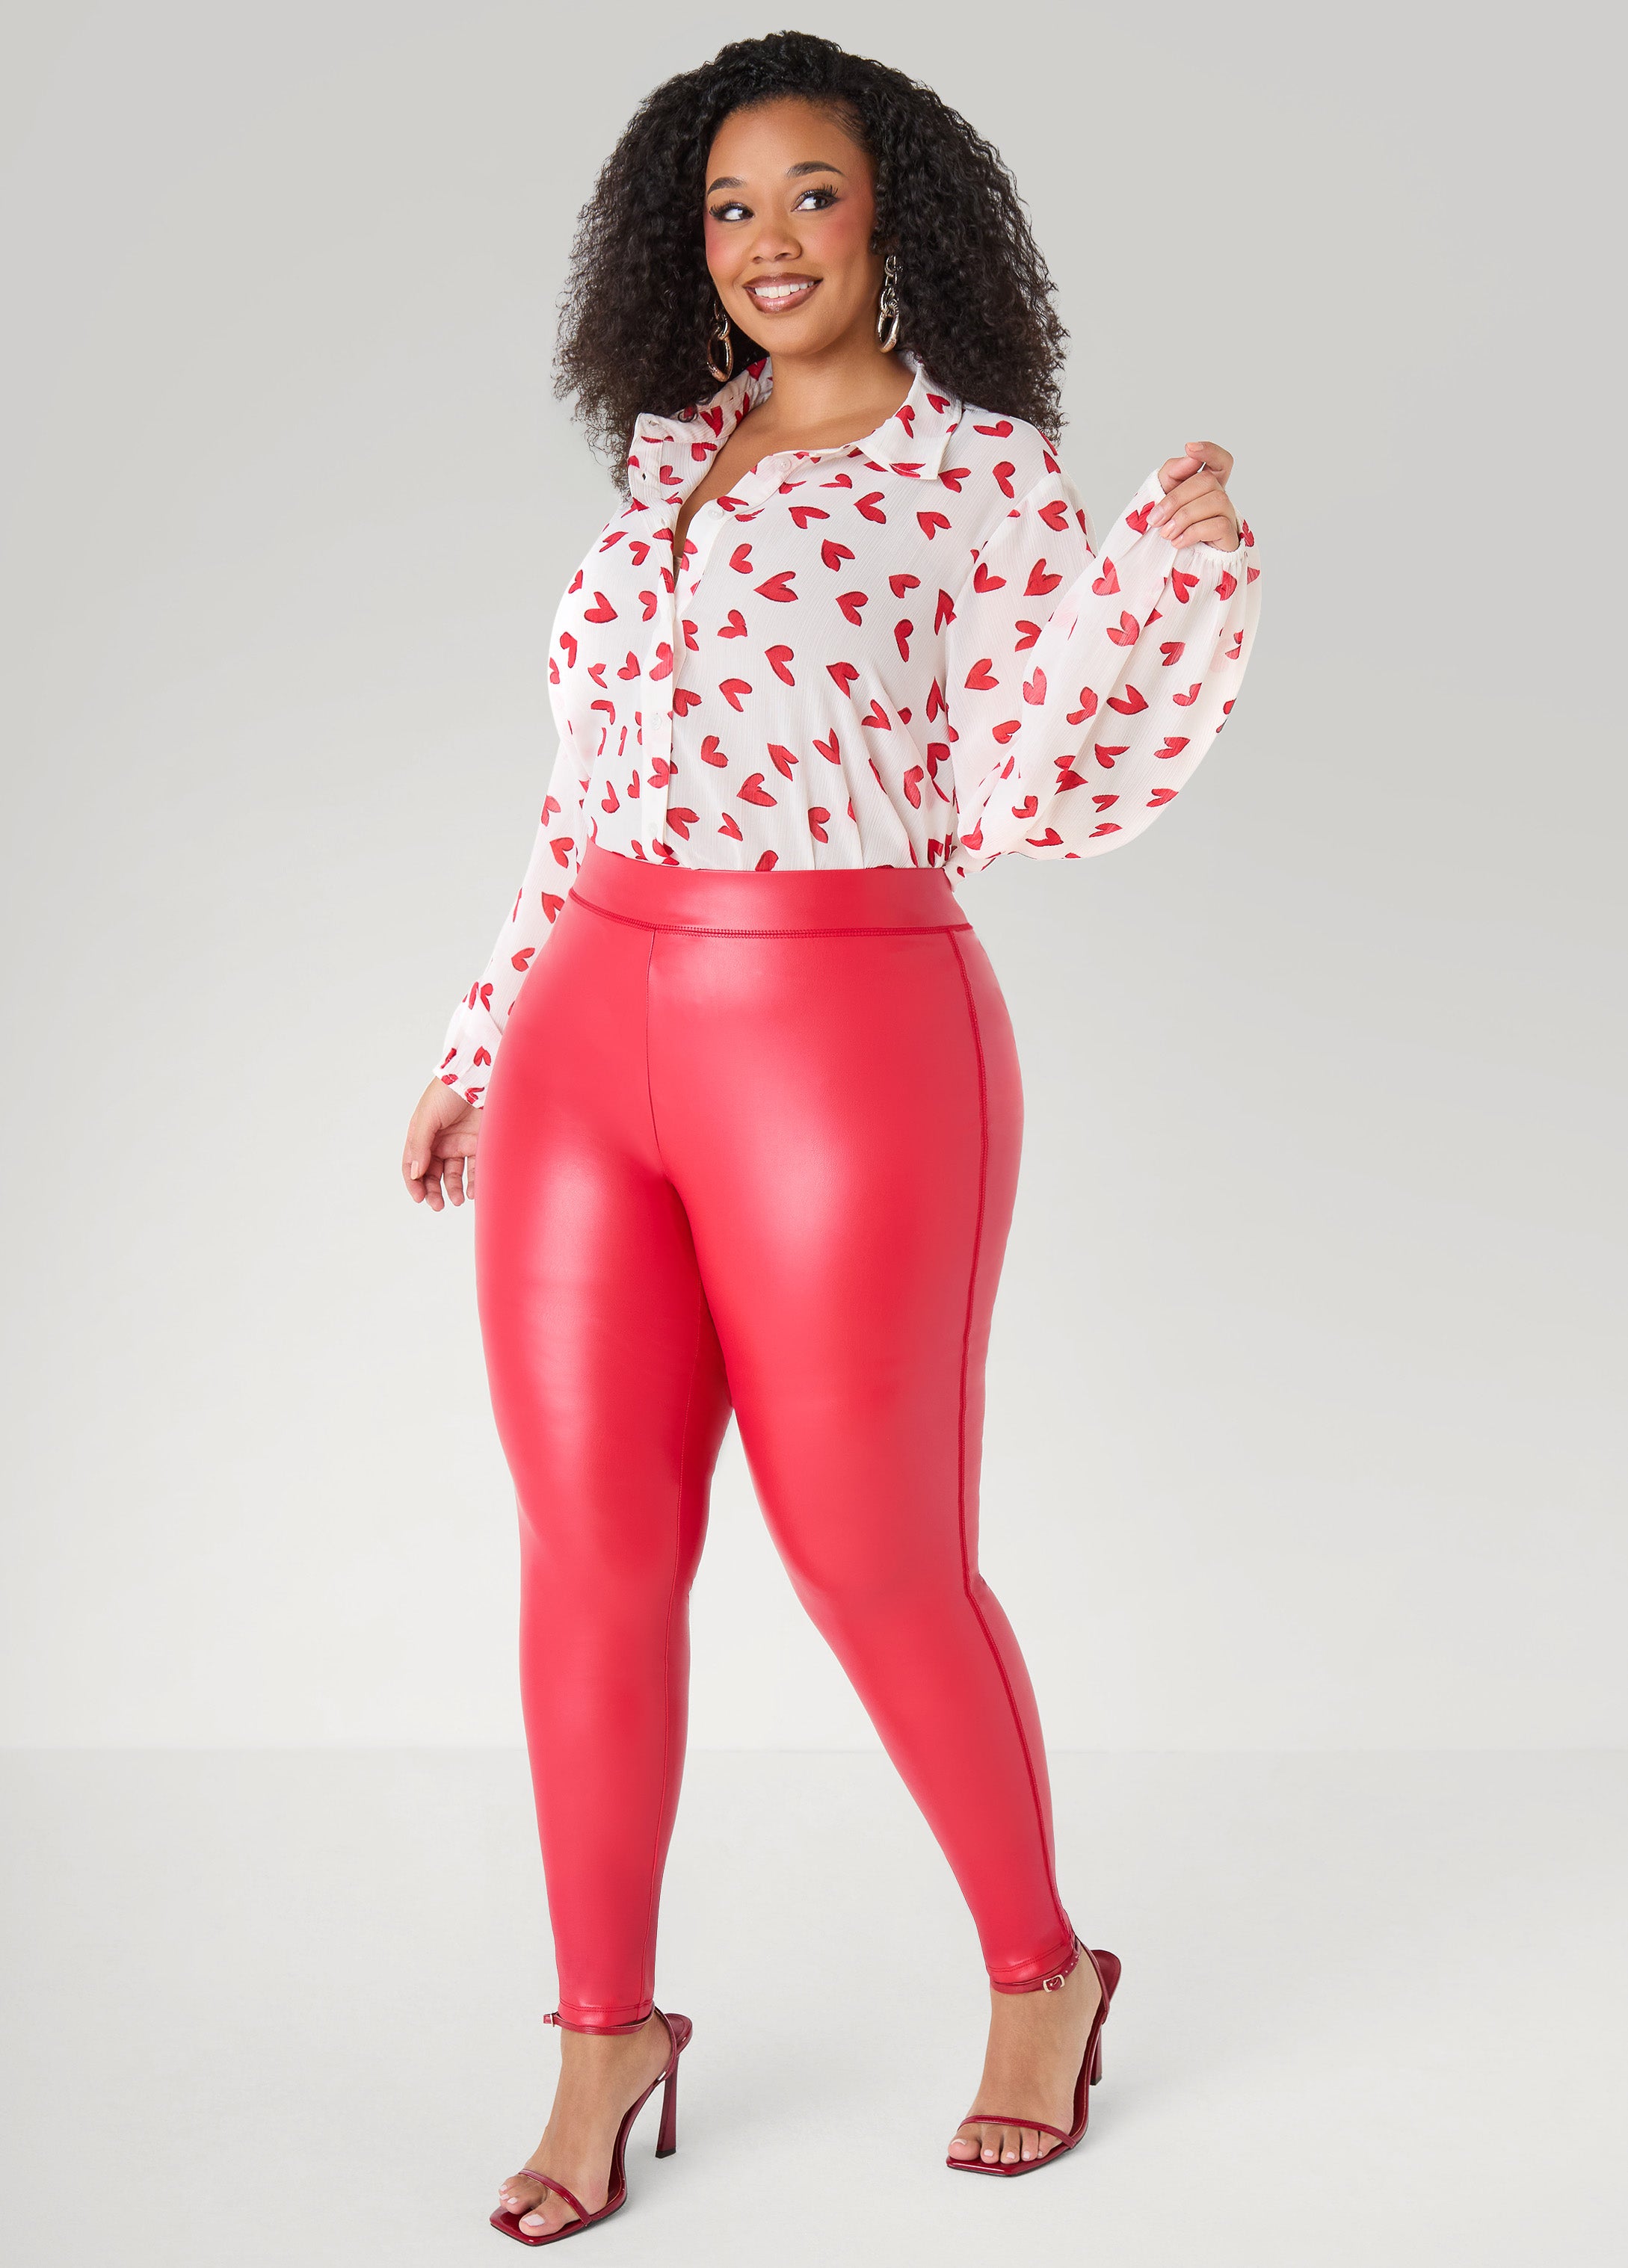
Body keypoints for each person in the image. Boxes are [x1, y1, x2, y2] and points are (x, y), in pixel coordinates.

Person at [402, 31, 1261, 2246]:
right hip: (587, 1026)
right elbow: (584, 781)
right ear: (675, 244)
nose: (767, 240)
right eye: (727, 205)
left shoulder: (977, 475)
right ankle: (602, 2031)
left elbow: (1035, 765)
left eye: (812, 195)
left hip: (841, 1031)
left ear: (899, 223)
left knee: (873, 1554)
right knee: (591, 1553)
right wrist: (483, 1033)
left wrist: (1166, 583)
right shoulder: (670, 459)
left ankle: (1041, 1969)